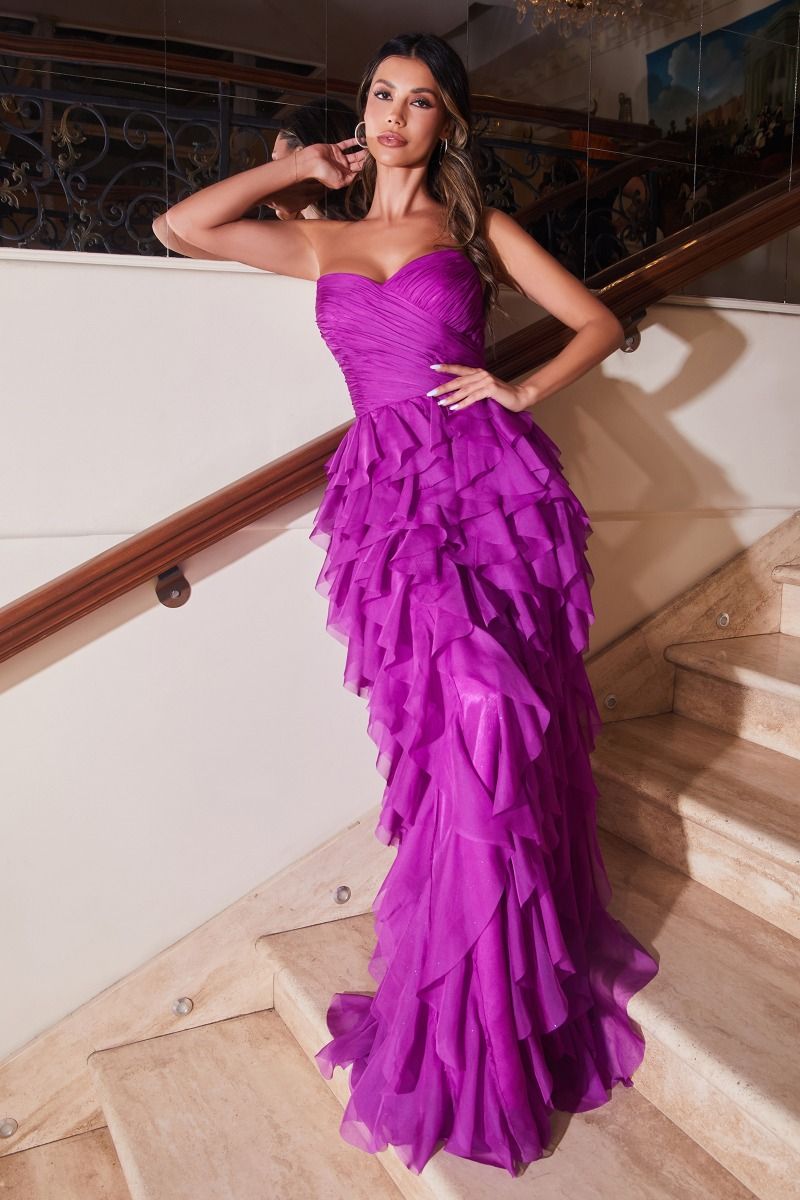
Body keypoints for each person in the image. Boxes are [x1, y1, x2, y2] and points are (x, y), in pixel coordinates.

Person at [153, 29, 660, 1180]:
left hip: (490, 492)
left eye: (417, 100)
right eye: (380, 95)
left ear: (447, 124)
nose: (391, 115)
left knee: (498, 721)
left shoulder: (473, 231)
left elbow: (595, 321)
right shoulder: (318, 236)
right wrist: (298, 167)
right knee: (454, 733)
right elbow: (180, 227)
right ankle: (462, 1004)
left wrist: (520, 387)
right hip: (388, 505)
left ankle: (496, 1004)